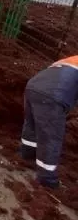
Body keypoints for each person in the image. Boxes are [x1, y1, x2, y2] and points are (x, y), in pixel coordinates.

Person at [20, 55, 78, 189]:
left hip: (33, 86)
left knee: (32, 125)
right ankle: (47, 179)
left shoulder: (73, 59)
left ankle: (27, 154)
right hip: (53, 95)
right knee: (51, 138)